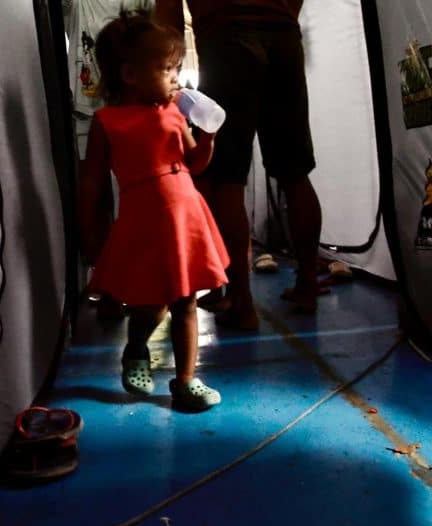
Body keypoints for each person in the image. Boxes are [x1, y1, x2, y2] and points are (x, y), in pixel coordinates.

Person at [79, 9, 229, 412]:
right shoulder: (107, 122)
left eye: (176, 69)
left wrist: (208, 140)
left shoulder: (174, 113)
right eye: (167, 69)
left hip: (185, 217)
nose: (176, 79)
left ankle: (186, 381)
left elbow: (195, 163)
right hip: (143, 222)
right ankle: (136, 346)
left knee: (186, 300)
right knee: (152, 304)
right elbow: (92, 180)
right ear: (130, 74)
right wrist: (88, 226)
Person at [156, 0, 324, 330]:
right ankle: (307, 286)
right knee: (296, 173)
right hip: (283, 33)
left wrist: (165, 73)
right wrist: (282, 16)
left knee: (226, 180)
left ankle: (242, 304)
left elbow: (168, 14)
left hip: (226, 35)